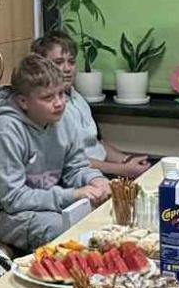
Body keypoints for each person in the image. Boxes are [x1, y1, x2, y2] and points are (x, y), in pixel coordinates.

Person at [0, 52, 111, 254]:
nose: (59, 103)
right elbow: (13, 199)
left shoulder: (63, 117)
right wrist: (72, 195)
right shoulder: (4, 131)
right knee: (64, 231)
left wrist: (96, 180)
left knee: (105, 218)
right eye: (48, 97)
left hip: (43, 199)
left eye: (61, 93)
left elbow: (76, 167)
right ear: (23, 102)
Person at [31, 31, 152, 180]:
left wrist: (126, 160)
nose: (67, 68)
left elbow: (95, 144)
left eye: (71, 62)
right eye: (58, 62)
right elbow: (69, 162)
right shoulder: (50, 109)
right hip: (82, 178)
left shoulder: (76, 97)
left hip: (104, 170)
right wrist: (122, 170)